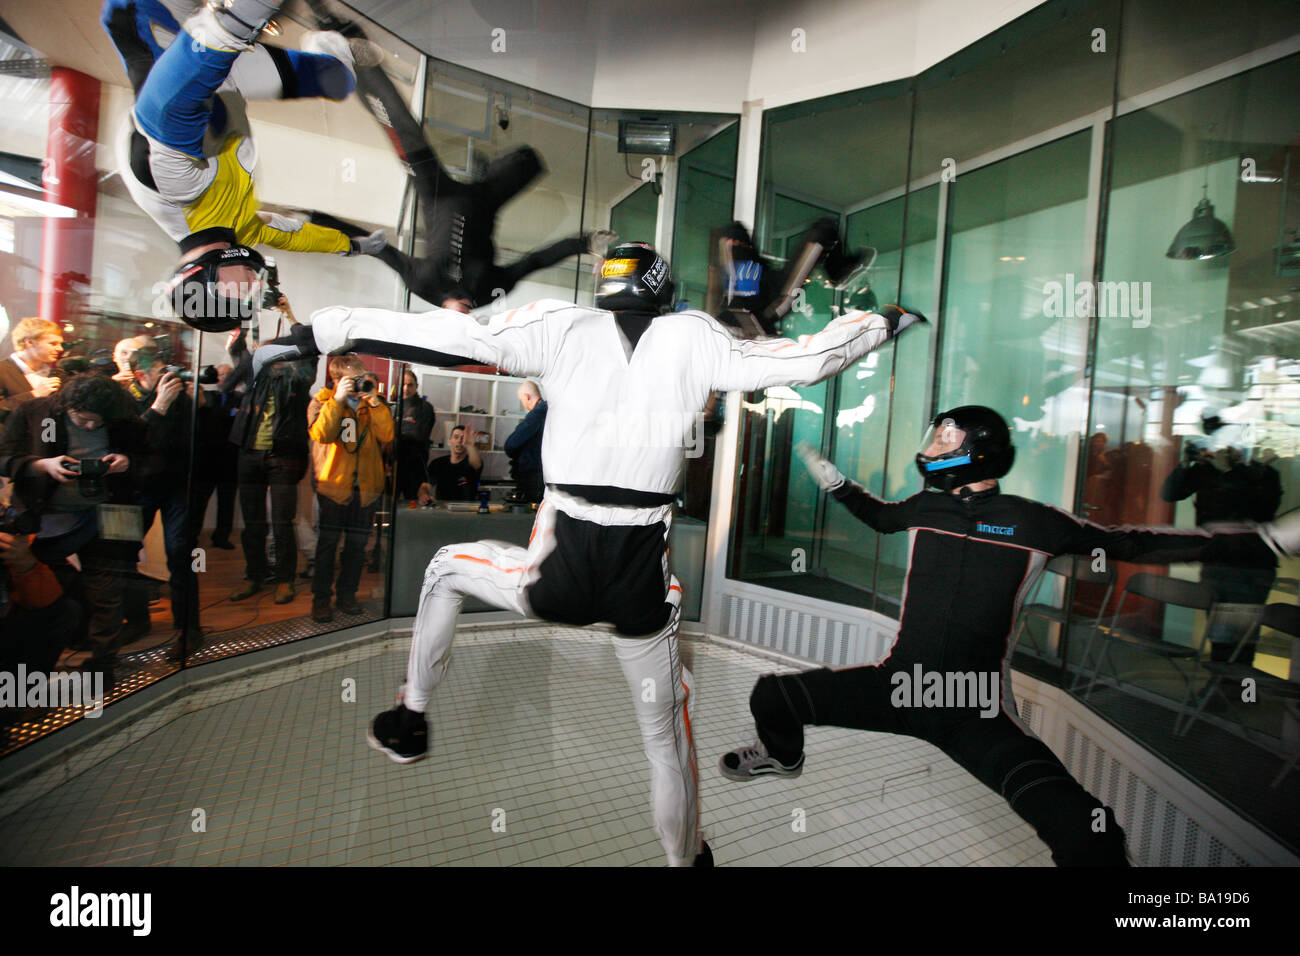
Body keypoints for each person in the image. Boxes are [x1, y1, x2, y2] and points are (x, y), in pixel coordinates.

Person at [257, 240, 926, 866]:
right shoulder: (696, 339)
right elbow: (808, 361)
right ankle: (686, 859)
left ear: (605, 285)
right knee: (666, 742)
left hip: (554, 576)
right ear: (664, 290)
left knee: (445, 571)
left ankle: (411, 718)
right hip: (640, 589)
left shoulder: (562, 325)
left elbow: (453, 338)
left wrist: (320, 330)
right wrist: (885, 322)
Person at [718, 405, 1298, 866]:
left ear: (976, 451)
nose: (932, 445)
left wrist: (1261, 541)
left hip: (974, 709)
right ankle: (781, 755)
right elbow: (880, 516)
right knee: (771, 695)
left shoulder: (1033, 520)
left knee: (1088, 834)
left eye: (945, 437)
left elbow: (1131, 541)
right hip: (897, 687)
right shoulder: (928, 505)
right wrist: (836, 482)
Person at [300, 0, 615, 310]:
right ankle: (483, 172)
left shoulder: (423, 283)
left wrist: (315, 220)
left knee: (403, 128)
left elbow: (375, 246)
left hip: (436, 193)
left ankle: (338, 37)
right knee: (530, 161)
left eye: (456, 314)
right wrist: (585, 243)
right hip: (485, 201)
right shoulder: (491, 290)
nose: (464, 310)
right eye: (467, 315)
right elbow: (535, 261)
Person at [103, 0, 380, 334]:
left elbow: (168, 107)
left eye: (239, 295)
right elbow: (296, 236)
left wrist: (229, 26)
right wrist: (353, 246)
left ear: (203, 278)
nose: (254, 288)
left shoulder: (177, 192)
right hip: (224, 79)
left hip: (167, 31)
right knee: (339, 78)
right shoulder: (237, 231)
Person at [0, 372, 141, 678]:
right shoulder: (34, 411)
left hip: (112, 509)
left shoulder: (121, 415)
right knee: (38, 594)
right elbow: (4, 456)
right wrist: (41, 465)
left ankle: (104, 664)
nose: (91, 426)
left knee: (109, 591)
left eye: (98, 422)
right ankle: (27, 671)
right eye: (84, 419)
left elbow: (154, 457)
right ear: (66, 406)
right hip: (45, 513)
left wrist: (128, 462)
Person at [1161, 412, 1283, 663]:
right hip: (1215, 562)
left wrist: (1228, 472)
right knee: (1218, 633)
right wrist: (1185, 464)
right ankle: (1217, 690)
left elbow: (1260, 510)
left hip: (1250, 567)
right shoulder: (1207, 471)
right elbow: (1170, 494)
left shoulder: (1263, 473)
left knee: (1241, 639)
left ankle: (1239, 694)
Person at [224, 322, 315, 605]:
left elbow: (310, 347)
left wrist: (288, 321)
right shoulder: (254, 379)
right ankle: (255, 575)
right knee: (252, 522)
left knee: (282, 521)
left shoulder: (299, 378)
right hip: (250, 453)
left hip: (285, 456)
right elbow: (227, 383)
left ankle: (285, 579)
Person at [124, 342, 200, 645]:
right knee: (126, 555)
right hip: (135, 489)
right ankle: (137, 620)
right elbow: (130, 441)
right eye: (160, 371)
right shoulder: (125, 399)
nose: (169, 374)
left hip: (174, 487)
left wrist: (198, 404)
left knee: (181, 555)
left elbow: (193, 440)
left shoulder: (180, 398)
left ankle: (188, 628)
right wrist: (159, 407)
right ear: (141, 375)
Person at [308, 357, 394, 622]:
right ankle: (321, 600)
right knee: (328, 547)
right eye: (354, 378)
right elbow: (322, 434)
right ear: (336, 379)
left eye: (362, 377)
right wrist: (338, 401)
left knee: (357, 548)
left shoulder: (372, 404)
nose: (360, 382)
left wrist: (374, 401)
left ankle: (347, 595)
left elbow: (387, 435)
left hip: (366, 488)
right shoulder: (322, 401)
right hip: (334, 487)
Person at [717, 219, 871, 337]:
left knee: (824, 229)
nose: (735, 245)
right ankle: (838, 271)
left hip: (771, 299)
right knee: (823, 230)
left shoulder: (743, 267)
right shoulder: (733, 266)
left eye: (739, 243)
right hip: (773, 305)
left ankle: (838, 271)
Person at [192, 363, 240, 549]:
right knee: (198, 502)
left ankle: (221, 537)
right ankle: (193, 535)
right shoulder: (205, 396)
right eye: (220, 374)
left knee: (227, 503)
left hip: (230, 459)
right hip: (206, 460)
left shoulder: (241, 399)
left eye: (229, 374)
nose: (224, 378)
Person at [1, 318, 63, 423]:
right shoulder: (2, 370)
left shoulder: (57, 374)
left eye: (60, 344)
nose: (60, 349)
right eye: (53, 343)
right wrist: (34, 394)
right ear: (29, 342)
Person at [394, 368, 435, 502]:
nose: (406, 388)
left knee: (412, 504)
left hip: (415, 465)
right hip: (393, 464)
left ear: (416, 386)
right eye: (402, 384)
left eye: (410, 385)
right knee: (389, 505)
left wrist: (394, 437)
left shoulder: (425, 408)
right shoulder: (392, 406)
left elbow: (419, 436)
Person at [503, 380, 546, 503]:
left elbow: (511, 444)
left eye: (521, 400)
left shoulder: (537, 413)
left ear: (527, 397)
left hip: (533, 476)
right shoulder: (548, 411)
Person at [417, 425, 482, 504]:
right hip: (442, 508)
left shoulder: (471, 462)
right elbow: (425, 486)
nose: (459, 441)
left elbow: (476, 463)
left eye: (463, 438)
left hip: (466, 510)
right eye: (456, 437)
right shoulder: (437, 463)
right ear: (449, 441)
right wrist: (423, 495)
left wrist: (470, 446)